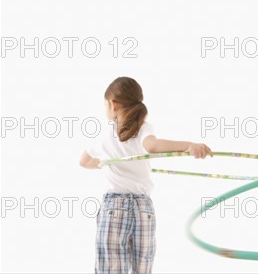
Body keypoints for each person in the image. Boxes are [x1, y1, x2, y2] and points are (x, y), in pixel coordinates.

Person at [79, 76, 213, 273]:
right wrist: (189, 146)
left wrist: (107, 163)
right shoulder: (143, 128)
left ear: (112, 104)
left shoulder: (104, 137)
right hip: (143, 209)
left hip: (113, 207)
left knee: (110, 267)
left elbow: (84, 162)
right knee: (142, 268)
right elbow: (153, 146)